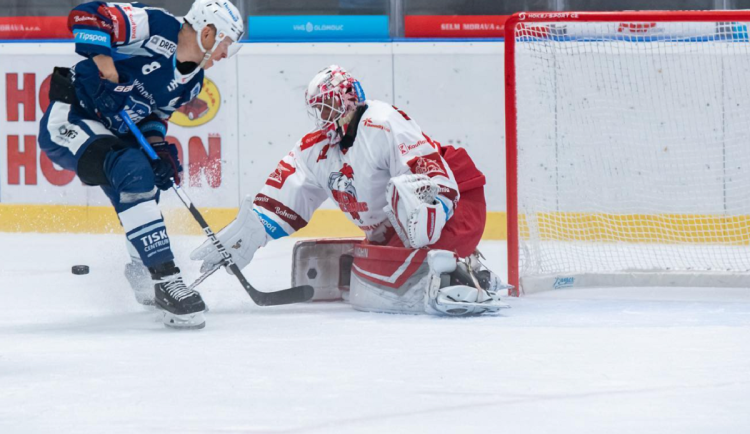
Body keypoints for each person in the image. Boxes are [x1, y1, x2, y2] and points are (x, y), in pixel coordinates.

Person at [191, 65, 509, 316]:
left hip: (455, 202)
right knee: (372, 276)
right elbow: (284, 196)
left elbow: (429, 173)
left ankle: (463, 274)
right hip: (403, 228)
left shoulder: (382, 122)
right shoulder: (314, 150)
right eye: (319, 109)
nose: (323, 116)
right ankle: (451, 268)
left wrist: (435, 208)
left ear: (348, 99)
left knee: (385, 280)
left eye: (329, 105)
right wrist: (251, 232)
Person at [38, 0, 244, 329]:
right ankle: (166, 280)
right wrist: (108, 75)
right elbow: (86, 15)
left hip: (115, 132)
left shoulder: (192, 81)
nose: (224, 55)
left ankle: (143, 275)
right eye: (226, 45)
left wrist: (159, 148)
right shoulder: (155, 26)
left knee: (145, 177)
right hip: (72, 118)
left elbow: (153, 117)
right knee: (133, 167)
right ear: (208, 32)